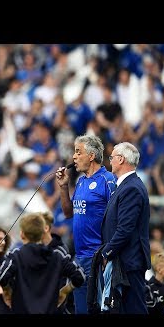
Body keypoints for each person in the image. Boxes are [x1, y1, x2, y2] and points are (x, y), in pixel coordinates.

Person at [55, 134, 116, 314]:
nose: (74, 157)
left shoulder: (108, 180)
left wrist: (109, 253)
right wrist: (63, 187)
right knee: (81, 310)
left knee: (102, 309)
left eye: (78, 152)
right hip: (80, 257)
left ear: (91, 156)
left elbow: (117, 219)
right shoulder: (81, 181)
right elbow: (68, 213)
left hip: (100, 257)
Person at [0, 213, 85, 314]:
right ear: (43, 232)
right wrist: (65, 291)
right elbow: (80, 276)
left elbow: (1, 277)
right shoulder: (57, 256)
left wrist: (7, 292)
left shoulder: (16, 256)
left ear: (22, 234)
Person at [101, 142, 151, 314]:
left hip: (129, 261)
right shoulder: (125, 186)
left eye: (112, 157)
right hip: (124, 260)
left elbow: (125, 229)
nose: (110, 161)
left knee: (134, 309)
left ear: (121, 159)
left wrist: (106, 252)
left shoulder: (131, 188)